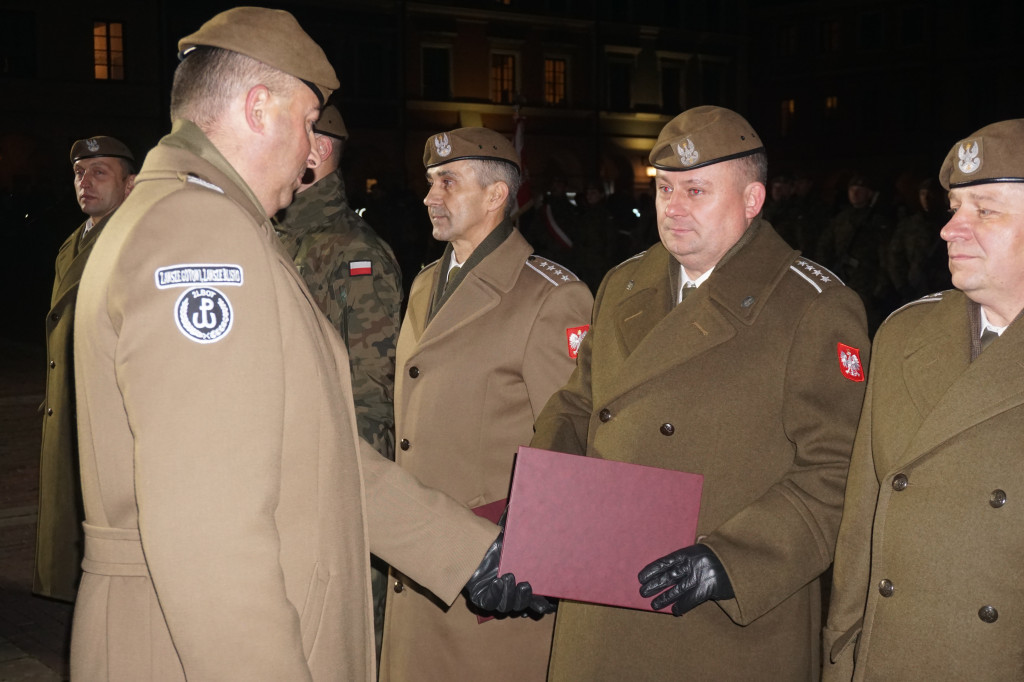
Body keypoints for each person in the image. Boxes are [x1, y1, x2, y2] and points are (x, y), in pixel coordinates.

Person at [69, 8, 547, 681]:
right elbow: (211, 531)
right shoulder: (202, 236)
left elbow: (310, 447)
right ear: (258, 108)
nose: (310, 151)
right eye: (306, 123)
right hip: (196, 646)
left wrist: (465, 553)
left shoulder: (192, 217)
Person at [529, 105, 870, 680]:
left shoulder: (812, 305)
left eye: (696, 190)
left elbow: (838, 469)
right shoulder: (623, 283)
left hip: (724, 619)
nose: (673, 208)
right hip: (600, 602)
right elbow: (576, 407)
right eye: (664, 189)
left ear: (753, 200)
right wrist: (541, 525)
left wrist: (730, 560)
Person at [378, 127, 593, 682]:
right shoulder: (426, 283)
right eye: (429, 182)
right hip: (418, 559)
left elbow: (573, 448)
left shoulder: (550, 295)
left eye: (447, 181)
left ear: (497, 195)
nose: (430, 196)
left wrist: (536, 561)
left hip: (491, 583)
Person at [824, 119, 1024, 679]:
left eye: (984, 209)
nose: (950, 229)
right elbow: (861, 525)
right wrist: (843, 661)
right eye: (955, 206)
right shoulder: (904, 336)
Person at [275, 103, 402, 660]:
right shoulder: (279, 237)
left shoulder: (354, 251)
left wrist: (353, 505)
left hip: (335, 482)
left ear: (317, 149)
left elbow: (372, 399)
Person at [34, 135, 135, 602]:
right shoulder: (75, 242)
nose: (85, 183)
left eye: (100, 173)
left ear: (130, 184)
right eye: (79, 173)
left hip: (105, 411)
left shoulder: (132, 242)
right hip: (71, 404)